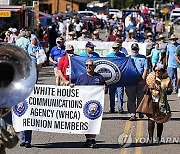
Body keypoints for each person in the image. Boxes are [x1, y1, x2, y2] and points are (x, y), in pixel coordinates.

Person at [70, 59, 107, 148]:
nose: (88, 67)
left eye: (90, 65)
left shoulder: (100, 77)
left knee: (94, 121)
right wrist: (72, 87)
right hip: (84, 104)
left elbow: (105, 90)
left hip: (95, 104)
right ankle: (88, 139)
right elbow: (76, 91)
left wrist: (104, 89)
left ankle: (92, 139)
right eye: (86, 65)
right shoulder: (81, 78)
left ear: (94, 67)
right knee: (85, 122)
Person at [144, 63, 173, 144]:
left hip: (161, 103)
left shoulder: (166, 80)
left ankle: (159, 139)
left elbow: (170, 91)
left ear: (163, 71)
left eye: (159, 70)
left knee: (160, 121)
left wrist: (163, 89)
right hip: (151, 102)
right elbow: (144, 91)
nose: (157, 72)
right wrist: (149, 87)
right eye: (155, 70)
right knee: (150, 121)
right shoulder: (150, 78)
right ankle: (150, 139)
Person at [125, 43, 148, 121]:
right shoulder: (127, 58)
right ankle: (132, 114)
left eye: (136, 49)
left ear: (138, 49)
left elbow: (145, 69)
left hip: (140, 79)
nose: (135, 50)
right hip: (130, 80)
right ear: (131, 50)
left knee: (140, 98)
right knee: (131, 98)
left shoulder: (143, 58)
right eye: (133, 49)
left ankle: (140, 111)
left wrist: (143, 79)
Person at [106, 42, 127, 113]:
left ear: (119, 48)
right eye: (113, 48)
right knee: (111, 93)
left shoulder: (123, 55)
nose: (114, 49)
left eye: (116, 48)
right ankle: (112, 108)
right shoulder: (109, 56)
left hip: (120, 77)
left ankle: (120, 108)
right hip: (112, 77)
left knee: (120, 92)